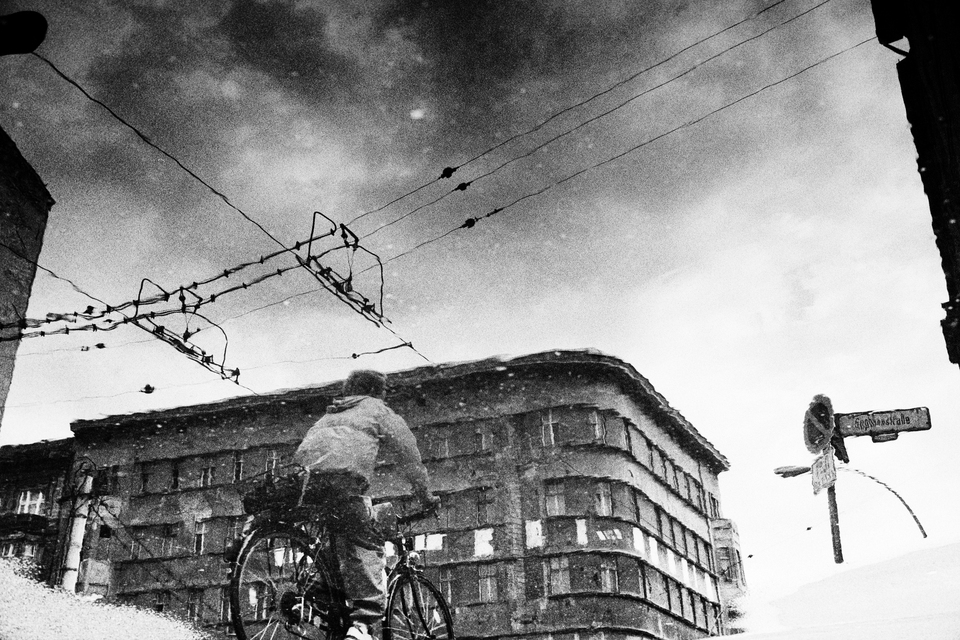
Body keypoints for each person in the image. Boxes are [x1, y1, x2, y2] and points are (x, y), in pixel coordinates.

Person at [294, 369, 436, 640]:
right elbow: (408, 453)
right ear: (376, 391)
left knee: (338, 541)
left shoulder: (330, 414)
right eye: (383, 392)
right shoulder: (377, 410)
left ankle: (313, 598)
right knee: (366, 542)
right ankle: (362, 624)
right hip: (341, 484)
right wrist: (425, 495)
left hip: (307, 487)